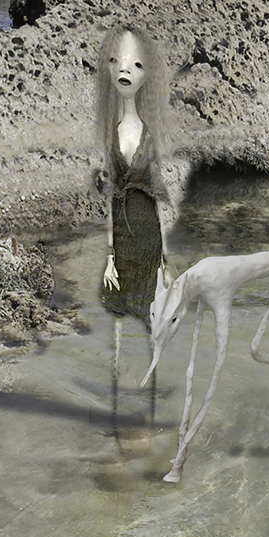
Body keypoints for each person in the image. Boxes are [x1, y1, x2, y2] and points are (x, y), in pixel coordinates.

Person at [96, 27, 176, 326]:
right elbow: (107, 200)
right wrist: (110, 258)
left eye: (137, 65)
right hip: (122, 234)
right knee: (117, 310)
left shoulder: (149, 133)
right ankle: (118, 371)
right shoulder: (109, 135)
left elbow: (158, 196)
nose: (126, 70)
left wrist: (165, 262)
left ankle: (152, 370)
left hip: (148, 236)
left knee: (146, 314)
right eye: (119, 61)